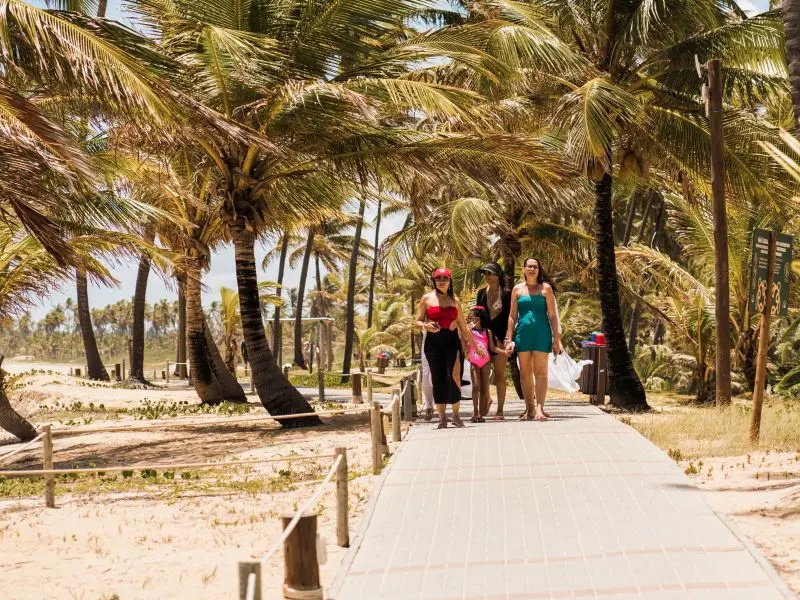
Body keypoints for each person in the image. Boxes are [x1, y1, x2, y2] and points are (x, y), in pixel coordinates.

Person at [415, 267, 486, 429]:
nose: (441, 281)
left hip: (451, 342)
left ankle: (455, 414)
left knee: (453, 377)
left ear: (449, 281)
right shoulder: (427, 299)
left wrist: (476, 347)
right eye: (438, 279)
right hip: (433, 343)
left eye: (444, 278)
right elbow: (417, 322)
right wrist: (426, 325)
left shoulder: (455, 300)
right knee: (438, 378)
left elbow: (464, 327)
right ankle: (442, 418)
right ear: (434, 281)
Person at [506, 257, 562, 421]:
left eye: (535, 267)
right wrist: (509, 338)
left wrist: (556, 339)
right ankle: (529, 408)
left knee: (541, 372)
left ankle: (540, 409)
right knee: (525, 373)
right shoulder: (517, 290)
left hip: (542, 333)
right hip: (522, 333)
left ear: (539, 270)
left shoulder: (546, 288)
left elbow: (552, 315)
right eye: (529, 266)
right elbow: (512, 316)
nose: (532, 269)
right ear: (523, 269)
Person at [476, 262, 522, 420]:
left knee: (500, 374)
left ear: (498, 275)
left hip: (502, 339)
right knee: (484, 375)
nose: (487, 276)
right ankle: (487, 399)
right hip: (484, 340)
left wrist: (509, 339)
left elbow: (512, 316)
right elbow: (478, 317)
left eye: (490, 273)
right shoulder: (481, 293)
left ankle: (500, 410)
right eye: (485, 274)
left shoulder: (507, 293)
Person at [465, 307, 499, 423]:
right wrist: (466, 354)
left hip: (485, 361)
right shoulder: (469, 331)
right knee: (475, 386)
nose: (469, 319)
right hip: (474, 360)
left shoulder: (487, 331)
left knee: (485, 387)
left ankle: (481, 412)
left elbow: (492, 348)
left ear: (478, 318)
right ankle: (475, 411)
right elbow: (464, 343)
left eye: (471, 317)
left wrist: (504, 352)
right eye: (469, 317)